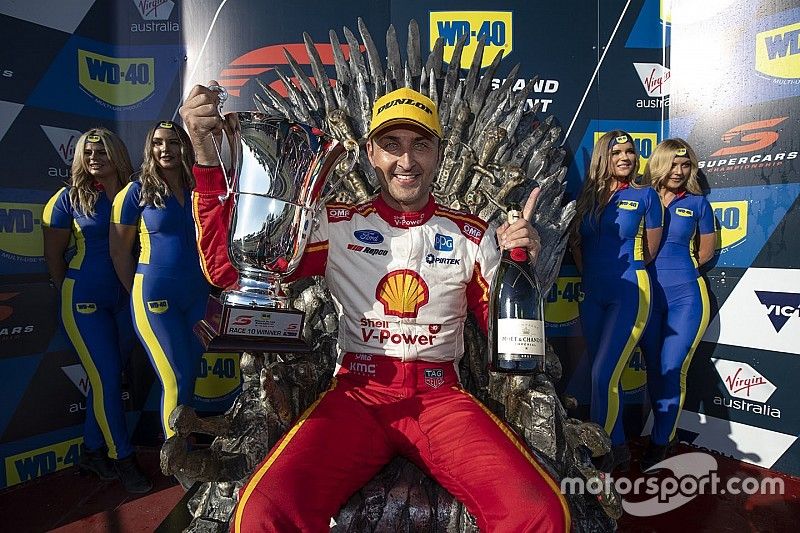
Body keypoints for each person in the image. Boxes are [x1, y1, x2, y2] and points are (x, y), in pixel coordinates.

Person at [181, 85, 570, 531]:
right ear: (371, 153)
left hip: (441, 399)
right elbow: (229, 271)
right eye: (392, 145)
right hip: (357, 396)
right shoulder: (337, 223)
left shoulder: (472, 234)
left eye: (420, 144)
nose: (406, 161)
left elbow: (504, 331)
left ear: (439, 154)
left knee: (541, 512)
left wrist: (519, 264)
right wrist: (207, 159)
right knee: (261, 514)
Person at [42, 127, 152, 493]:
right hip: (84, 301)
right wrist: (69, 292)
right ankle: (123, 459)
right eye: (87, 153)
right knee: (106, 379)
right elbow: (53, 256)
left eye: (101, 151)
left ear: (116, 154)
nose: (93, 158)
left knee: (106, 380)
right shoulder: (66, 199)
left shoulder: (139, 192)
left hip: (126, 300)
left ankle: (90, 451)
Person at [110, 121, 210, 441]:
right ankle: (180, 463)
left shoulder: (200, 188)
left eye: (173, 142)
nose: (165, 149)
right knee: (176, 378)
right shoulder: (135, 191)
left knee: (190, 375)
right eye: (157, 143)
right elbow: (118, 252)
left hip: (197, 295)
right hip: (156, 294)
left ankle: (188, 453)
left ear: (185, 146)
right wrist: (138, 293)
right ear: (149, 149)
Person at [570, 130, 663, 472]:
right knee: (603, 378)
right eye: (617, 152)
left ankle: (600, 457)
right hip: (592, 295)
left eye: (630, 151)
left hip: (629, 292)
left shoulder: (646, 196)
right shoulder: (588, 197)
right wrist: (592, 276)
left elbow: (651, 250)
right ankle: (619, 448)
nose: (625, 157)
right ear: (602, 158)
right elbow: (577, 244)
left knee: (603, 376)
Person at [638, 139, 715, 469]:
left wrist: (679, 273)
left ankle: (660, 442)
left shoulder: (698, 204)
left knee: (671, 371)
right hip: (647, 298)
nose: (680, 171)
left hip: (686, 298)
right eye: (673, 164)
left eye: (686, 165)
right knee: (655, 370)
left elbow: (707, 252)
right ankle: (663, 433)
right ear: (659, 164)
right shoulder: (639, 199)